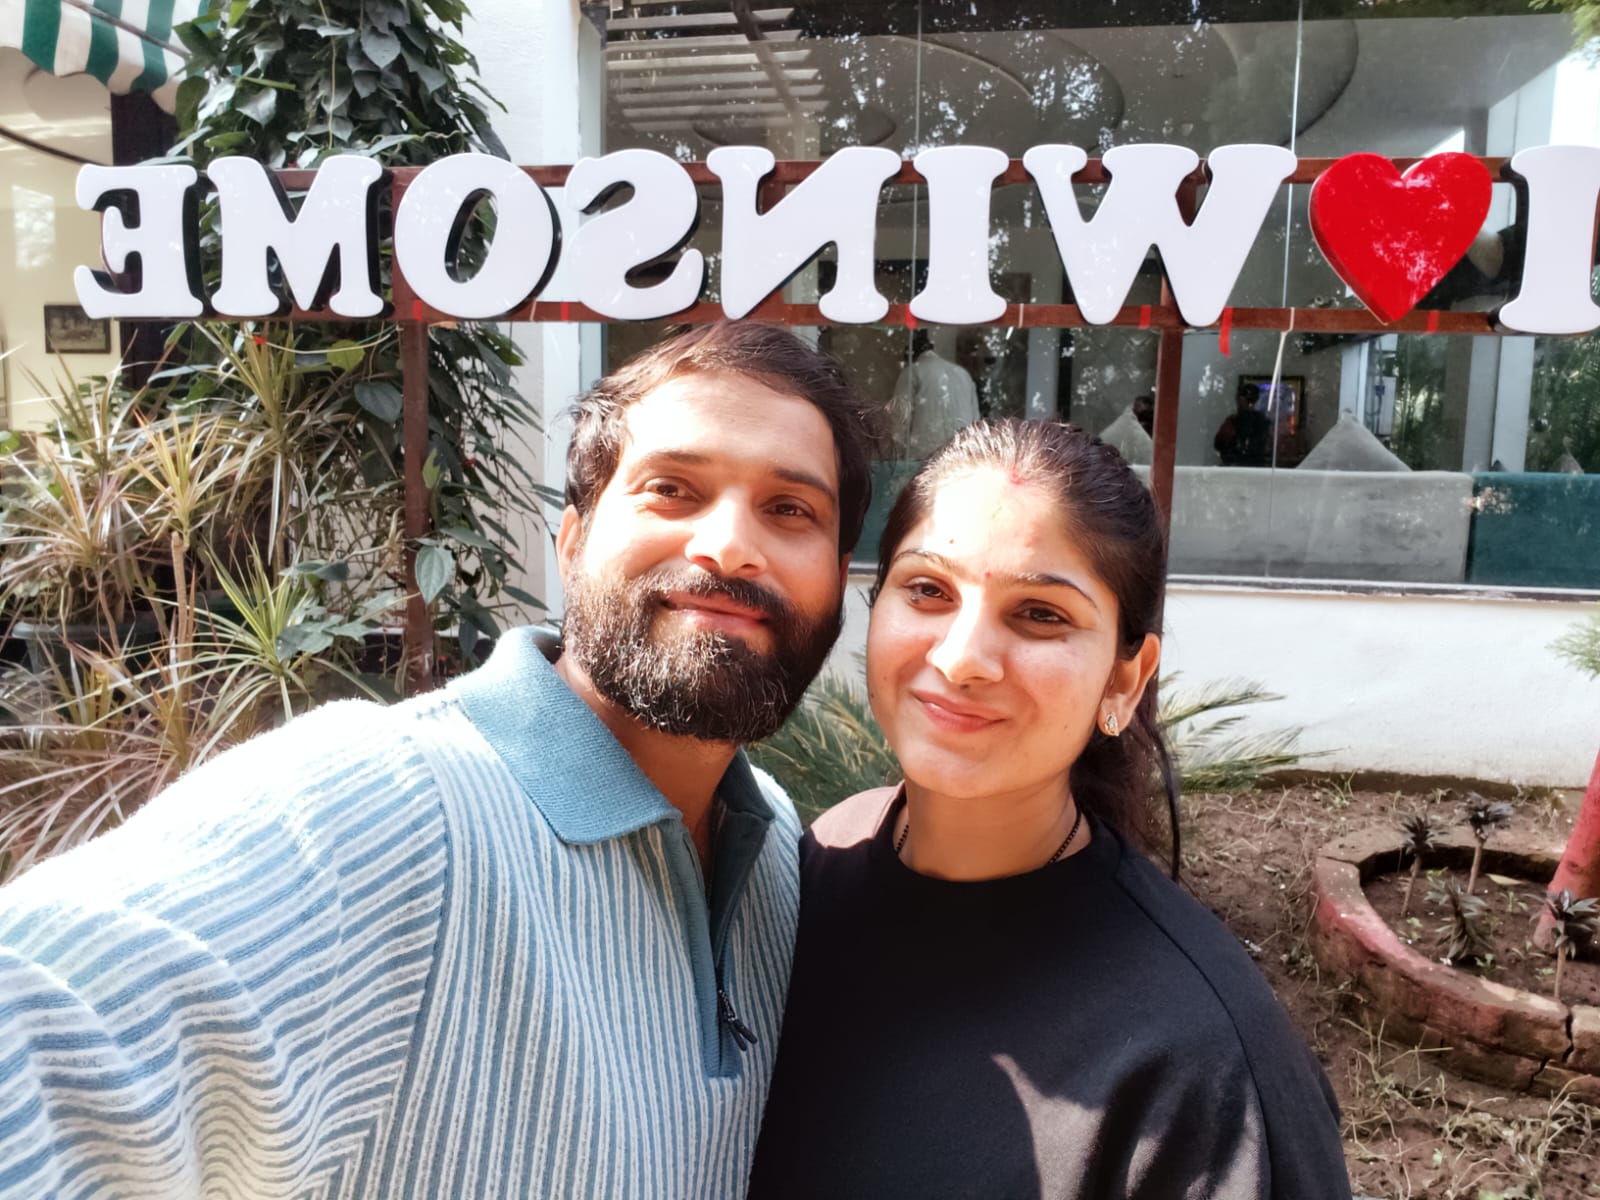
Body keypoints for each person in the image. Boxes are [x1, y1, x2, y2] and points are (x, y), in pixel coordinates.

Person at [0, 321, 875, 1199]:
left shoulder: (773, 846)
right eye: (672, 490)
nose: (728, 545)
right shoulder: (384, 808)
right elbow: (49, 1016)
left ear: (838, 575)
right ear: (572, 541)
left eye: (789, 509)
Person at [747, 419, 1351, 1199]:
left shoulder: (1207, 1078)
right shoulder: (819, 862)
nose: (961, 658)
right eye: (928, 590)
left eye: (1040, 613)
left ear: (1125, 681)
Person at [1214, 382, 1273, 466]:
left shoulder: (1262, 422)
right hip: (1239, 466)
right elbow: (1219, 443)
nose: (1237, 402)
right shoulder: (1232, 421)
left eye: (1240, 398)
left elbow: (1268, 447)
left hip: (1249, 466)